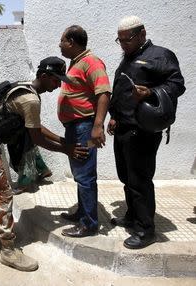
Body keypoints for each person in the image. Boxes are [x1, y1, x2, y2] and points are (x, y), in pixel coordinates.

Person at [0, 57, 89, 272]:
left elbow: (36, 127)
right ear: (43, 76)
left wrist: (63, 142)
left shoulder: (23, 88)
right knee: (2, 194)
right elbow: (37, 138)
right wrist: (67, 149)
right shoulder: (31, 100)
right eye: (55, 80)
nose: (58, 85)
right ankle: (8, 250)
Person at [108, 16, 185, 249]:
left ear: (142, 34)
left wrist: (150, 93)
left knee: (140, 180)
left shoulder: (160, 55)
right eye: (119, 40)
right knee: (126, 178)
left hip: (142, 130)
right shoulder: (128, 58)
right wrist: (114, 116)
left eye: (127, 39)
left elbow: (177, 85)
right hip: (122, 126)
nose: (123, 44)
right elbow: (121, 91)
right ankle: (132, 216)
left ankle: (145, 230)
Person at [58, 25, 111, 238]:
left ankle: (89, 224)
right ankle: (82, 212)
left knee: (85, 175)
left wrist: (97, 127)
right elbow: (78, 89)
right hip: (75, 127)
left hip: (85, 128)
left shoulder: (91, 62)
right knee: (81, 174)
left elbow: (104, 93)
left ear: (71, 42)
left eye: (61, 41)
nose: (59, 45)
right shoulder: (76, 63)